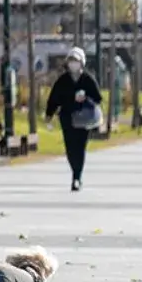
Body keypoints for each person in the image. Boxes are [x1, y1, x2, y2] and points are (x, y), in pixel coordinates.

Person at [44, 46, 102, 192]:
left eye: (76, 60)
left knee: (80, 147)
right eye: (71, 60)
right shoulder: (63, 80)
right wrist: (49, 115)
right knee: (70, 148)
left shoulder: (87, 79)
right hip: (67, 118)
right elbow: (54, 99)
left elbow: (98, 97)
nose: (73, 63)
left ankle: (77, 177)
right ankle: (74, 171)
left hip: (84, 120)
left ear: (82, 62)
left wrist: (85, 98)